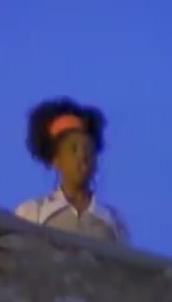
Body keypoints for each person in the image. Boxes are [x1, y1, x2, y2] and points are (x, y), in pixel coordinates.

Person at [15, 97, 129, 243]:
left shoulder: (113, 221)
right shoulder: (33, 213)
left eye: (88, 149)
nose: (82, 156)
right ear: (56, 159)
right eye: (73, 149)